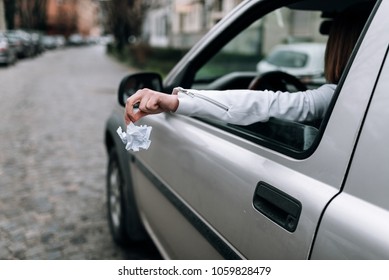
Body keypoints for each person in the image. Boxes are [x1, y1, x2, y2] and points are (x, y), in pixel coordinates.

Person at [125, 6, 371, 126]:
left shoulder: (335, 97)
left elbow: (264, 103)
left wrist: (177, 101)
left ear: (338, 48)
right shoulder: (367, 93)